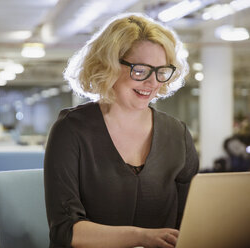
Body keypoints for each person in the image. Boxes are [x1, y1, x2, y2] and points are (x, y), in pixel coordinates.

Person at [44, 13, 199, 248]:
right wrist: (142, 237)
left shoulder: (177, 134)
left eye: (161, 71)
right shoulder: (71, 130)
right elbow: (66, 231)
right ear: (109, 66)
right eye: (141, 70)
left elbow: (191, 221)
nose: (153, 83)